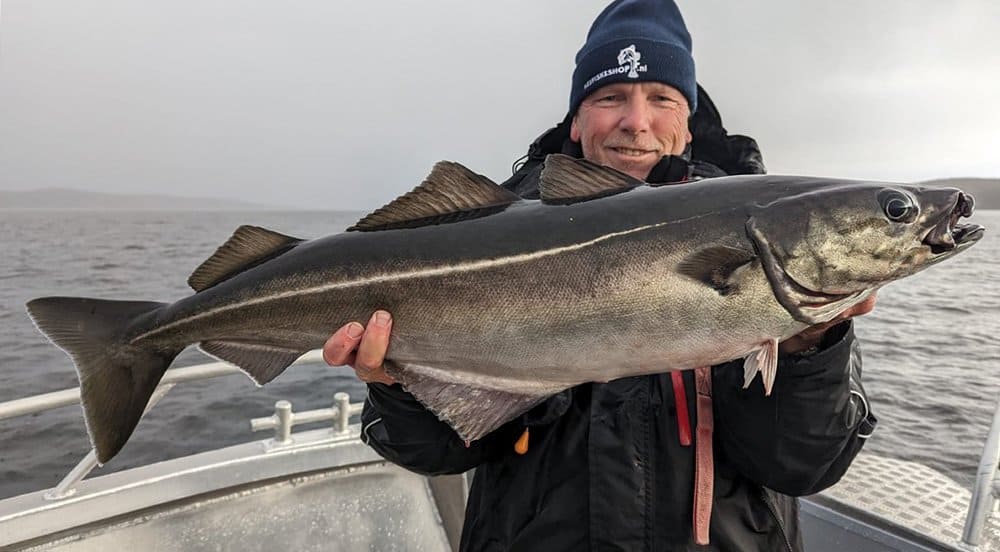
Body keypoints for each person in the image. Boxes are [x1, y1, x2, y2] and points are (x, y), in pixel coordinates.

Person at [323, 0, 879, 550]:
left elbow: (804, 465)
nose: (635, 122)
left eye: (661, 98)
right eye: (611, 96)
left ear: (687, 125)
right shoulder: (485, 231)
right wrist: (397, 385)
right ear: (577, 118)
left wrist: (809, 347)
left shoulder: (772, 240)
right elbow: (439, 452)